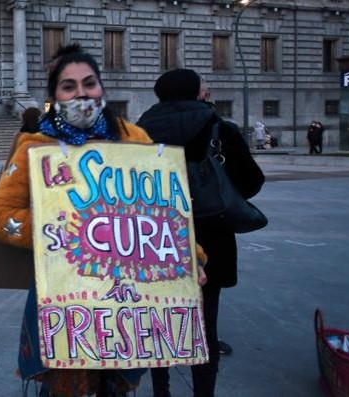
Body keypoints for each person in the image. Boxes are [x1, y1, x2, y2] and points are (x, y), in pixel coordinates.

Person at [0, 44, 203, 397]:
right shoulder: (35, 147)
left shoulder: (135, 138)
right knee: (65, 386)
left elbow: (164, 212)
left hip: (128, 294)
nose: (81, 93)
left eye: (89, 83)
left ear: (102, 87)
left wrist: (193, 256)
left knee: (115, 385)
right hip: (66, 291)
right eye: (68, 87)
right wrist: (64, 232)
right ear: (54, 96)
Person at [137, 68, 265, 397]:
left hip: (157, 240)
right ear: (196, 92)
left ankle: (161, 391)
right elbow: (251, 183)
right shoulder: (221, 129)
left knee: (161, 321)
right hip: (213, 237)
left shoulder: (138, 132)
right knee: (206, 324)